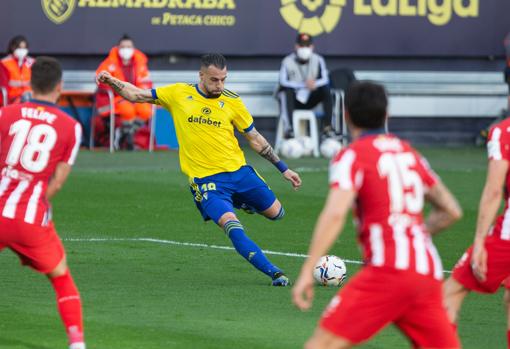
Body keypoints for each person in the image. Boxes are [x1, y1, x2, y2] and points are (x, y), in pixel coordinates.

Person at [97, 53, 302, 286]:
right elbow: (136, 94)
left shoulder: (232, 101)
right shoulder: (179, 94)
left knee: (277, 213)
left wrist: (283, 168)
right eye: (214, 80)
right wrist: (111, 80)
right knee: (232, 226)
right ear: (201, 75)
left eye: (224, 79)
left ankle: (241, 201)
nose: (220, 85)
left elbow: (254, 138)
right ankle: (274, 272)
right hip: (207, 182)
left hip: (240, 172)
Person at [292, 81, 463, 349]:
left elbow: (335, 213)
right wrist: (411, 235)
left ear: (346, 115)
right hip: (426, 272)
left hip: (388, 272)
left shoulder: (351, 156)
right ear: (387, 115)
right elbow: (451, 210)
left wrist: (306, 269)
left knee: (321, 345)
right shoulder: (410, 154)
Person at [0, 57, 85, 349]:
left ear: (29, 84)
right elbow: (57, 182)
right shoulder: (71, 127)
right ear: (59, 87)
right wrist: (35, 202)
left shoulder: (5, 114)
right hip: (31, 219)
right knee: (61, 278)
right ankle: (76, 343)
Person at [443, 114, 510, 348]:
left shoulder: (504, 132)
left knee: (448, 295)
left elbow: (493, 191)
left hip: (507, 236)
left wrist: (480, 241)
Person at [95, 34, 152, 150]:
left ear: (133, 48)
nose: (126, 49)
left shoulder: (140, 63)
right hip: (116, 98)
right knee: (128, 110)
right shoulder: (108, 63)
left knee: (146, 110)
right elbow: (100, 81)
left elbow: (146, 82)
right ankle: (128, 139)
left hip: (136, 97)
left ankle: (124, 134)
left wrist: (139, 93)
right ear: (118, 48)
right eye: (123, 47)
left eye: (129, 47)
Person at [277, 33, 334, 140]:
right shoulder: (287, 61)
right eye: (302, 46)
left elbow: (325, 79)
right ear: (296, 46)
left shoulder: (318, 59)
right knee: (285, 91)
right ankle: (289, 129)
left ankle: (327, 127)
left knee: (326, 89)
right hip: (294, 99)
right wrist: (302, 85)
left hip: (311, 98)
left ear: (312, 47)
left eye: (307, 46)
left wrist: (314, 84)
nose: (304, 48)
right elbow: (282, 81)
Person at [0, 35, 34, 106]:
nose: (22, 50)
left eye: (24, 48)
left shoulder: (31, 62)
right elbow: (4, 86)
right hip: (12, 100)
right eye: (19, 48)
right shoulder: (4, 63)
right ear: (13, 47)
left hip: (31, 99)